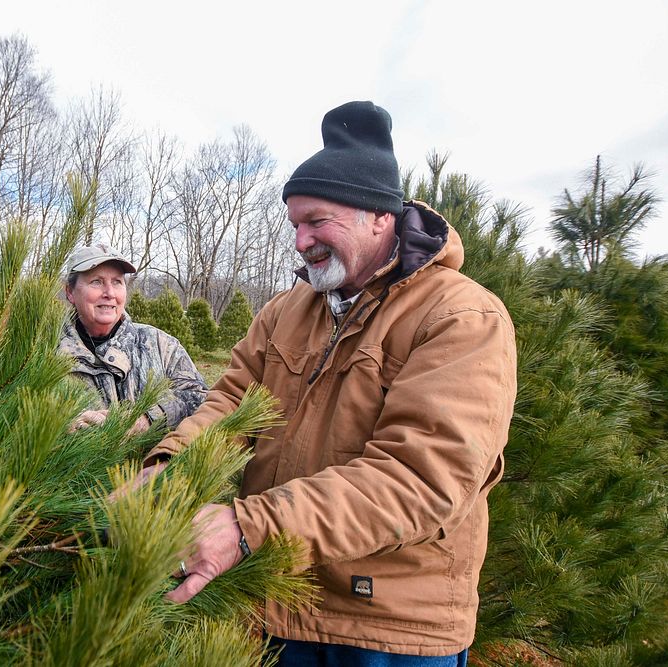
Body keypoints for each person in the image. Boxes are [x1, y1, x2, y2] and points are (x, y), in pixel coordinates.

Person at [141, 102, 517, 665]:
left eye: (316, 221)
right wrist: (169, 469)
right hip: (264, 604)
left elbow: (419, 478)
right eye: (294, 225)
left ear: (378, 216)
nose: (300, 241)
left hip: (384, 631)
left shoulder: (461, 318)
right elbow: (229, 404)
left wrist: (249, 528)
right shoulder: (286, 311)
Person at [59, 243, 207, 435]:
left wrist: (146, 419)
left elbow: (200, 398)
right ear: (70, 292)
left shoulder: (160, 345)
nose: (110, 293)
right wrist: (63, 425)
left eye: (117, 282)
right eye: (96, 281)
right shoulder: (46, 353)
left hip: (156, 464)